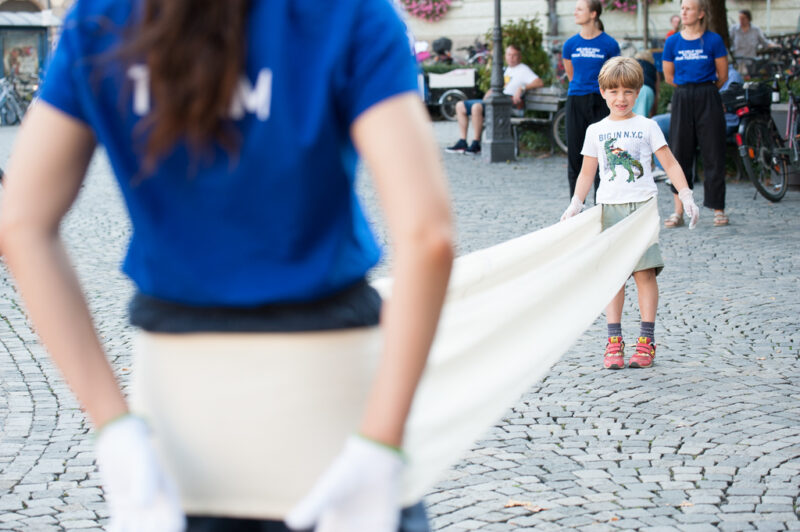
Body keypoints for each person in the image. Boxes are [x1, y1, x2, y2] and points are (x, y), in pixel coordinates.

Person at [0, 1, 454, 531]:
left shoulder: (102, 18)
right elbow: (428, 237)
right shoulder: (348, 11)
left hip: (177, 438)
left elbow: (19, 224)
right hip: (331, 408)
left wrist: (113, 428)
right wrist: (380, 442)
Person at [560, 57, 699, 370]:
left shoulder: (647, 126)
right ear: (602, 92)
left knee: (644, 273)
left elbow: (671, 163)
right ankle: (613, 341)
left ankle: (646, 340)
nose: (620, 98)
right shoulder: (596, 131)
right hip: (609, 208)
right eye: (613, 91)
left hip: (642, 208)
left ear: (637, 93)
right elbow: (586, 173)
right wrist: (576, 203)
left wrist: (686, 195)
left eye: (627, 91)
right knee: (614, 276)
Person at [662, 0, 729, 227]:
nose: (684, 11)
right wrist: (688, 90)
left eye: (689, 8)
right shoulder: (672, 41)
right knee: (679, 152)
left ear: (701, 13)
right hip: (682, 96)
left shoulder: (713, 40)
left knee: (713, 152)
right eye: (682, 8)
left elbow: (723, 75)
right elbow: (669, 76)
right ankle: (679, 210)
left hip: (708, 95)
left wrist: (705, 91)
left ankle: (717, 209)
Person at [562, 0, 620, 198]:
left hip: (601, 102)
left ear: (593, 14)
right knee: (575, 155)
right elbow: (571, 74)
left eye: (580, 9)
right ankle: (576, 205)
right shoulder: (570, 45)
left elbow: (614, 76)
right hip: (576, 100)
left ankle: (602, 204)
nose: (575, 12)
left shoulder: (609, 44)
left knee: (603, 155)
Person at [445, 44, 543, 155]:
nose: (511, 57)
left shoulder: (523, 69)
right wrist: (489, 92)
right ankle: (463, 142)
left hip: (506, 104)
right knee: (460, 105)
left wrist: (522, 87)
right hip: (494, 101)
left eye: (514, 55)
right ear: (505, 56)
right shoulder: (505, 69)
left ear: (519, 57)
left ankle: (476, 143)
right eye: (509, 54)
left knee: (476, 107)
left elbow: (539, 82)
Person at [650, 63, 743, 179]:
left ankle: (680, 173)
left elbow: (727, 102)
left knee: (675, 126)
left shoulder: (732, 76)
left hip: (718, 120)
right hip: (694, 115)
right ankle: (664, 169)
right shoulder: (706, 73)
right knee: (655, 123)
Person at [730, 9, 776, 76]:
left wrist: (774, 45)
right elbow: (728, 41)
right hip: (737, 61)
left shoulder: (756, 30)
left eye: (743, 18)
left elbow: (764, 42)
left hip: (750, 61)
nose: (741, 20)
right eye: (740, 18)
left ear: (748, 18)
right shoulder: (733, 29)